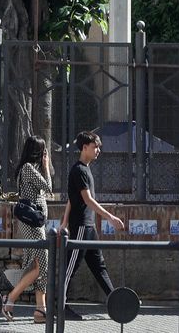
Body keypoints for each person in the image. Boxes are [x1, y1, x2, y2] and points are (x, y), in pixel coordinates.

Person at [58, 131, 124, 322]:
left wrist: (63, 222)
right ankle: (61, 308)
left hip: (88, 227)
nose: (98, 151)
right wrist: (110, 217)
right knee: (69, 269)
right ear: (85, 147)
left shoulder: (85, 170)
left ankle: (116, 302)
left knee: (99, 266)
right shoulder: (78, 170)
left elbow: (73, 199)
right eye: (95, 147)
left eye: (99, 148)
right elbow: (87, 200)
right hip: (81, 227)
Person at [2, 135, 50, 324]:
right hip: (33, 224)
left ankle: (40, 311)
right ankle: (10, 299)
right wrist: (46, 167)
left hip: (35, 223)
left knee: (39, 266)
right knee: (40, 265)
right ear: (38, 152)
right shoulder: (29, 168)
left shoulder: (27, 168)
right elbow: (48, 187)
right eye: (43, 151)